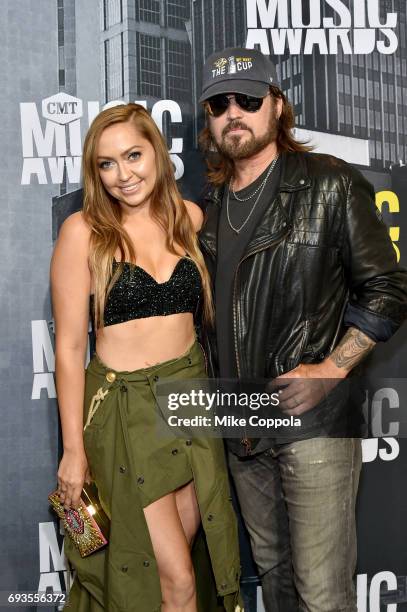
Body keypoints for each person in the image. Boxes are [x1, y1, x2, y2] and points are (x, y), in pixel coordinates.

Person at [198, 47, 407, 612]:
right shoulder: (208, 210)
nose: (233, 113)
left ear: (278, 107)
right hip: (242, 426)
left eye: (248, 99)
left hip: (311, 422)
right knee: (276, 583)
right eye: (220, 103)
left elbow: (389, 288)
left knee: (321, 593)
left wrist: (330, 371)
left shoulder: (329, 183)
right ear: (208, 117)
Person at [50, 103, 242, 612]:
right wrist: (73, 450)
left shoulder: (190, 218)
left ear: (156, 152)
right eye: (106, 164)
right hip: (125, 410)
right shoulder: (82, 233)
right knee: (175, 580)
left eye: (132, 155)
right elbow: (69, 349)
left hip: (191, 399)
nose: (122, 175)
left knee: (172, 572)